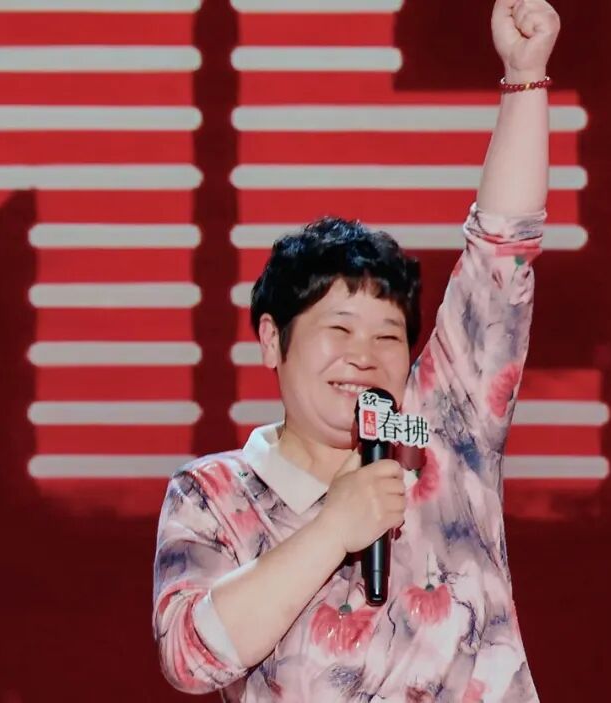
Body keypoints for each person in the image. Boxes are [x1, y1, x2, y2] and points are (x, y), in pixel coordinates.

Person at [151, 0, 560, 699]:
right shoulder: (215, 494)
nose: (364, 355)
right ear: (273, 339)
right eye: (338, 330)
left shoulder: (437, 431)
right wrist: (334, 527)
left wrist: (525, 76)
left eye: (387, 335)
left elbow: (502, 251)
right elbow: (191, 658)